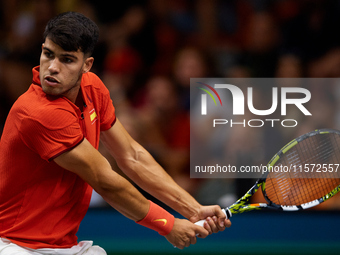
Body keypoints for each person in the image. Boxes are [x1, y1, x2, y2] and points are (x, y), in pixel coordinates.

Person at [0, 12, 230, 255]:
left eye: (67, 59)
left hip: (64, 246)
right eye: (48, 54)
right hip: (15, 245)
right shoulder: (37, 112)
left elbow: (132, 156)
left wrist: (192, 209)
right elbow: (104, 180)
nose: (53, 68)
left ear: (86, 65)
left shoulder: (92, 88)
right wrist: (168, 224)